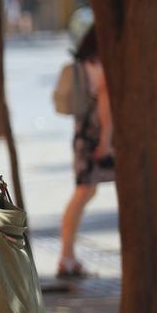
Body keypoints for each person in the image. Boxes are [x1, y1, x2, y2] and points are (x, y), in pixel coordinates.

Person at [57, 25, 114, 279]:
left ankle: (67, 256)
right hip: (97, 137)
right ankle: (66, 257)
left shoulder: (84, 62)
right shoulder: (102, 64)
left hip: (83, 135)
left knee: (84, 192)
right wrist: (106, 142)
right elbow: (105, 103)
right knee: (83, 193)